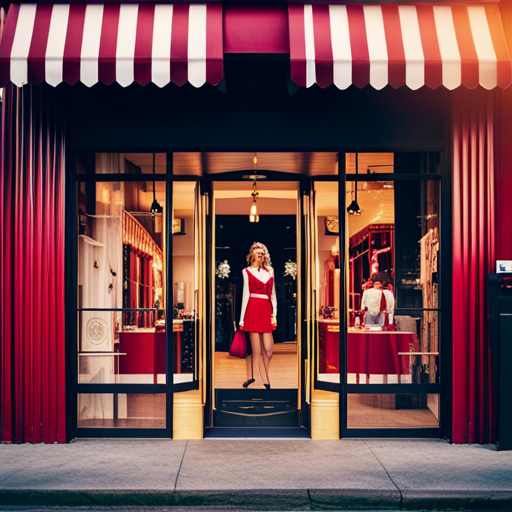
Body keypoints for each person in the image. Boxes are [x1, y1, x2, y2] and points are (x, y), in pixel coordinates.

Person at [239, 242, 277, 389]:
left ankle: (262, 376)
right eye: (258, 252)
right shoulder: (246, 271)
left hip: (266, 308)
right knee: (256, 351)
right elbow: (245, 294)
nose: (261, 255)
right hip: (252, 308)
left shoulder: (270, 271)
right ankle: (262, 381)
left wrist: (275, 314)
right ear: (252, 255)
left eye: (263, 252)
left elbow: (273, 295)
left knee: (268, 350)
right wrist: (242, 318)